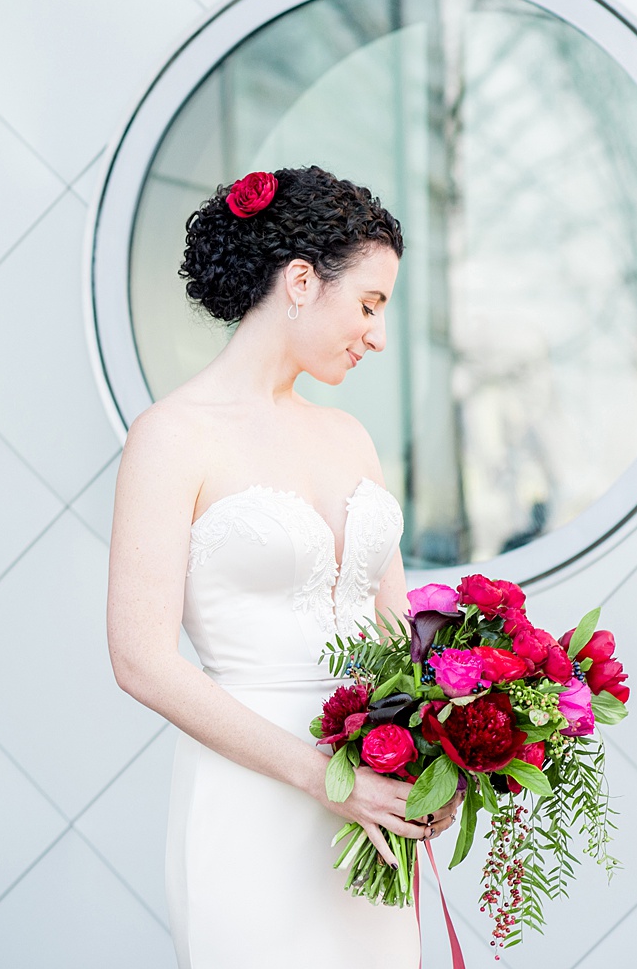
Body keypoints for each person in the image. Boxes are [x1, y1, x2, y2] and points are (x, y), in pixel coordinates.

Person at [105, 166, 464, 968]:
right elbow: (140, 660)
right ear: (301, 280)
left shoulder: (349, 438)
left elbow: (401, 635)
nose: (377, 335)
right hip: (252, 799)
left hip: (371, 806)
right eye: (369, 305)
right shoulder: (171, 437)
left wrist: (445, 750)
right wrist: (328, 780)